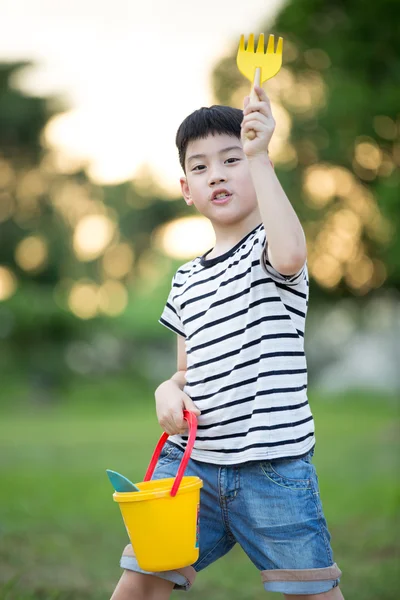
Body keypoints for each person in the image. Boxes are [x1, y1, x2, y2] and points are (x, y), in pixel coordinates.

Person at [110, 86, 344, 600]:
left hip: (274, 468)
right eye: (200, 167)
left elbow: (290, 254)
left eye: (231, 159)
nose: (216, 173)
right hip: (191, 466)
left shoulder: (270, 248)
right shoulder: (186, 279)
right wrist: (166, 392)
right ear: (186, 189)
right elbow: (184, 372)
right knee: (141, 580)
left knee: (313, 592)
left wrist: (260, 155)